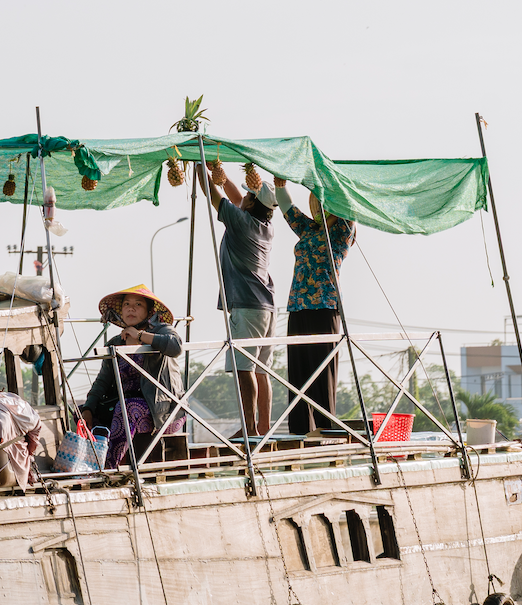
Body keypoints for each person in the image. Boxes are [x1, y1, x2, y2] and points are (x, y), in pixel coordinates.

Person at [195, 163, 276, 437]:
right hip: (266, 306)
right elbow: (236, 198)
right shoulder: (265, 226)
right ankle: (263, 427)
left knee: (245, 370)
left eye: (248, 197)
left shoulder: (241, 222)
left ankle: (250, 428)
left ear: (252, 204)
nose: (242, 198)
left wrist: (197, 161)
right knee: (261, 370)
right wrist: (223, 174)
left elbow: (211, 192)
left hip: (247, 306)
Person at [276, 177, 356, 436]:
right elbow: (288, 209)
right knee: (298, 374)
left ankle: (325, 431)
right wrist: (280, 184)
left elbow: (350, 207)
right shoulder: (309, 230)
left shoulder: (342, 232)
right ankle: (300, 432)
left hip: (325, 308)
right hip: (298, 307)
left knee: (323, 374)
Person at [83, 285, 185, 467]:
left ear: (148, 312)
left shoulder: (161, 331)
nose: (131, 308)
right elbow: (102, 381)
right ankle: (84, 464)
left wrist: (141, 336)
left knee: (128, 408)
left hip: (163, 411)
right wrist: (88, 408)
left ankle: (108, 468)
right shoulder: (115, 342)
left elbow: (176, 346)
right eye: (127, 304)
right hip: (123, 406)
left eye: (138, 304)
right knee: (83, 412)